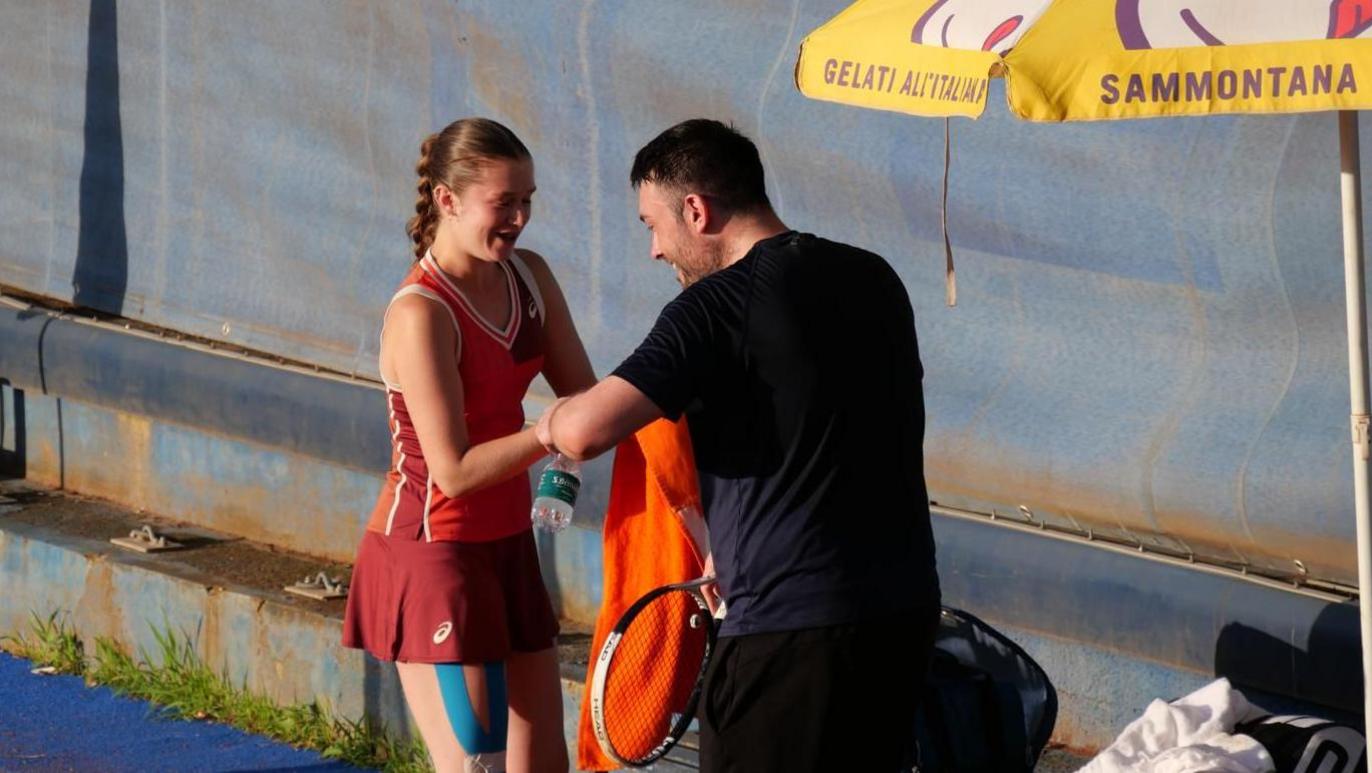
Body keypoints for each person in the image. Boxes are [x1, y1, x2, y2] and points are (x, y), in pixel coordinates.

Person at [536, 118, 941, 772]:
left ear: (696, 210)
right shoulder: (874, 279)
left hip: (787, 634)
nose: (654, 251)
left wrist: (548, 422)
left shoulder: (711, 309)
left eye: (652, 224)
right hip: (903, 615)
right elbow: (820, 431)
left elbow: (587, 430)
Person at [342, 117, 595, 773]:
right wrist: (545, 432)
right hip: (433, 553)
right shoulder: (421, 313)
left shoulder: (529, 278)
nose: (519, 217)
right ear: (448, 200)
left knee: (542, 764)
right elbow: (452, 471)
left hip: (507, 542)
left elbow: (584, 394)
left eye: (528, 199)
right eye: (503, 202)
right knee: (476, 764)